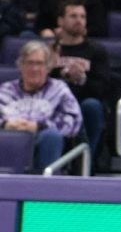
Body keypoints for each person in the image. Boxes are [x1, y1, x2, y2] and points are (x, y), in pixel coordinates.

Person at [0, 39, 81, 172]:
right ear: (20, 66)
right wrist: (5, 125)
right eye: (29, 63)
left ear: (48, 67)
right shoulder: (5, 91)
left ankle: (43, 188)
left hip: (43, 142)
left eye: (40, 63)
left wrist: (40, 126)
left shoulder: (59, 90)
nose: (35, 68)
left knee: (51, 136)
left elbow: (73, 122)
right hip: (8, 145)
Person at [50, 0, 111, 165]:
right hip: (52, 103)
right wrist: (60, 72)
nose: (79, 20)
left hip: (83, 100)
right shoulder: (49, 50)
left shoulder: (96, 51)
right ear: (60, 21)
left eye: (82, 16)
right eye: (73, 16)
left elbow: (102, 88)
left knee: (92, 105)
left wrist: (81, 79)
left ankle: (85, 164)